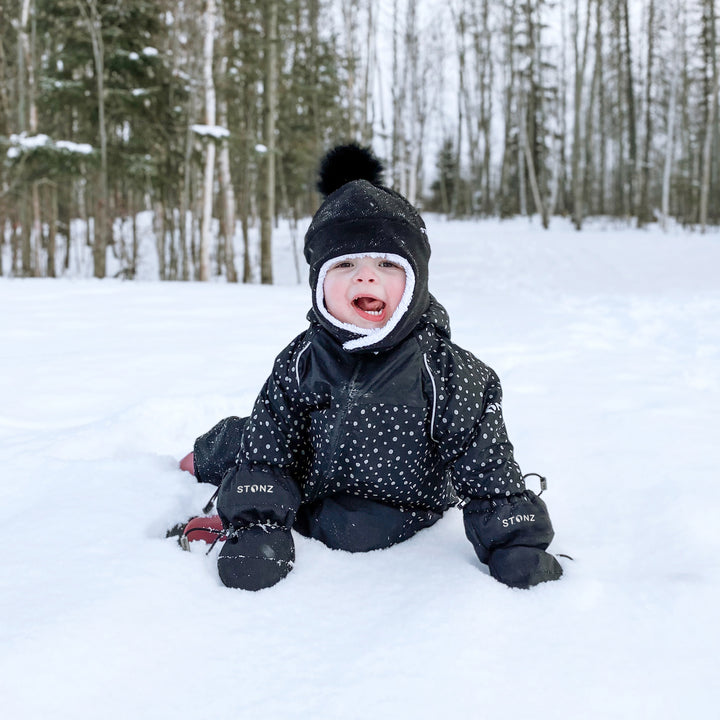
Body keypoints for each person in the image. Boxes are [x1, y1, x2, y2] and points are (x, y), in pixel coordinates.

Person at [178, 144, 564, 591]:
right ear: (320, 283)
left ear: (415, 280)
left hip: (402, 497)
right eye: (344, 264)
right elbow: (269, 450)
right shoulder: (301, 359)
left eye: (386, 264)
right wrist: (257, 526)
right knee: (247, 442)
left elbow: (488, 470)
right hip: (311, 468)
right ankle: (206, 451)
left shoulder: (448, 373)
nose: (365, 277)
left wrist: (516, 545)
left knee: (357, 529)